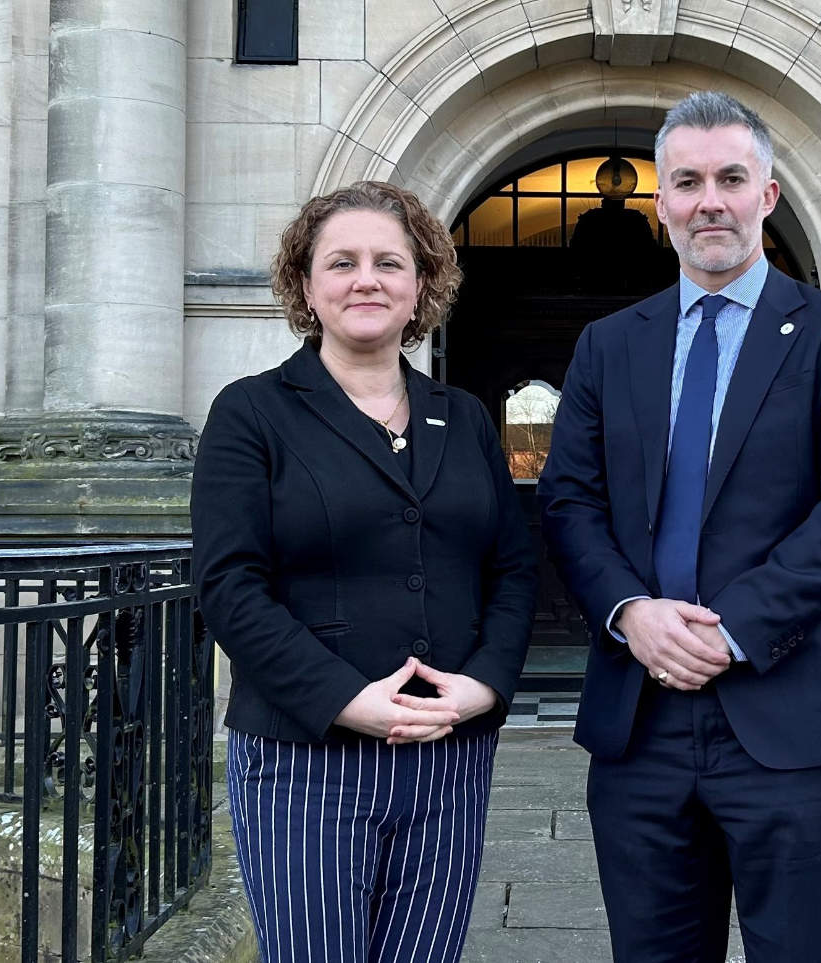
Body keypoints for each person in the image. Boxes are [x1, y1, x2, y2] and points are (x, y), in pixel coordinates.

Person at [538, 91, 821, 962]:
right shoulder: (607, 345)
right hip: (640, 722)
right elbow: (570, 502)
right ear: (659, 202)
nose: (711, 200)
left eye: (731, 178)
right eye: (689, 181)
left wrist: (731, 629)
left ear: (767, 195)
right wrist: (633, 613)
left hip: (794, 714)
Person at [192, 180, 536, 963]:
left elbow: (513, 569)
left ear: (421, 286)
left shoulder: (465, 416)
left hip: (448, 754)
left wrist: (484, 685)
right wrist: (347, 700)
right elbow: (229, 586)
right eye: (340, 262)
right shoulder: (252, 413)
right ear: (306, 286)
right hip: (303, 759)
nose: (366, 279)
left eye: (389, 262)